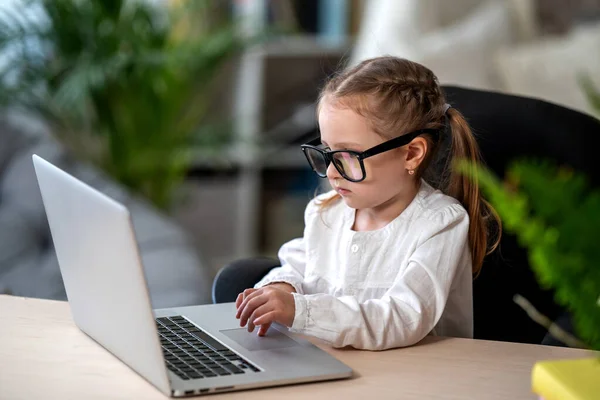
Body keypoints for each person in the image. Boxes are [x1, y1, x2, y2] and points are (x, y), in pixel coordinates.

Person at [235, 56, 501, 350]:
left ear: (411, 154)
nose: (333, 172)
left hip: (416, 376)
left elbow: (402, 319)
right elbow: (298, 267)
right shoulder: (327, 211)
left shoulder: (440, 224)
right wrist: (280, 287)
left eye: (348, 156)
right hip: (336, 365)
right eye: (327, 150)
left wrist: (302, 311)